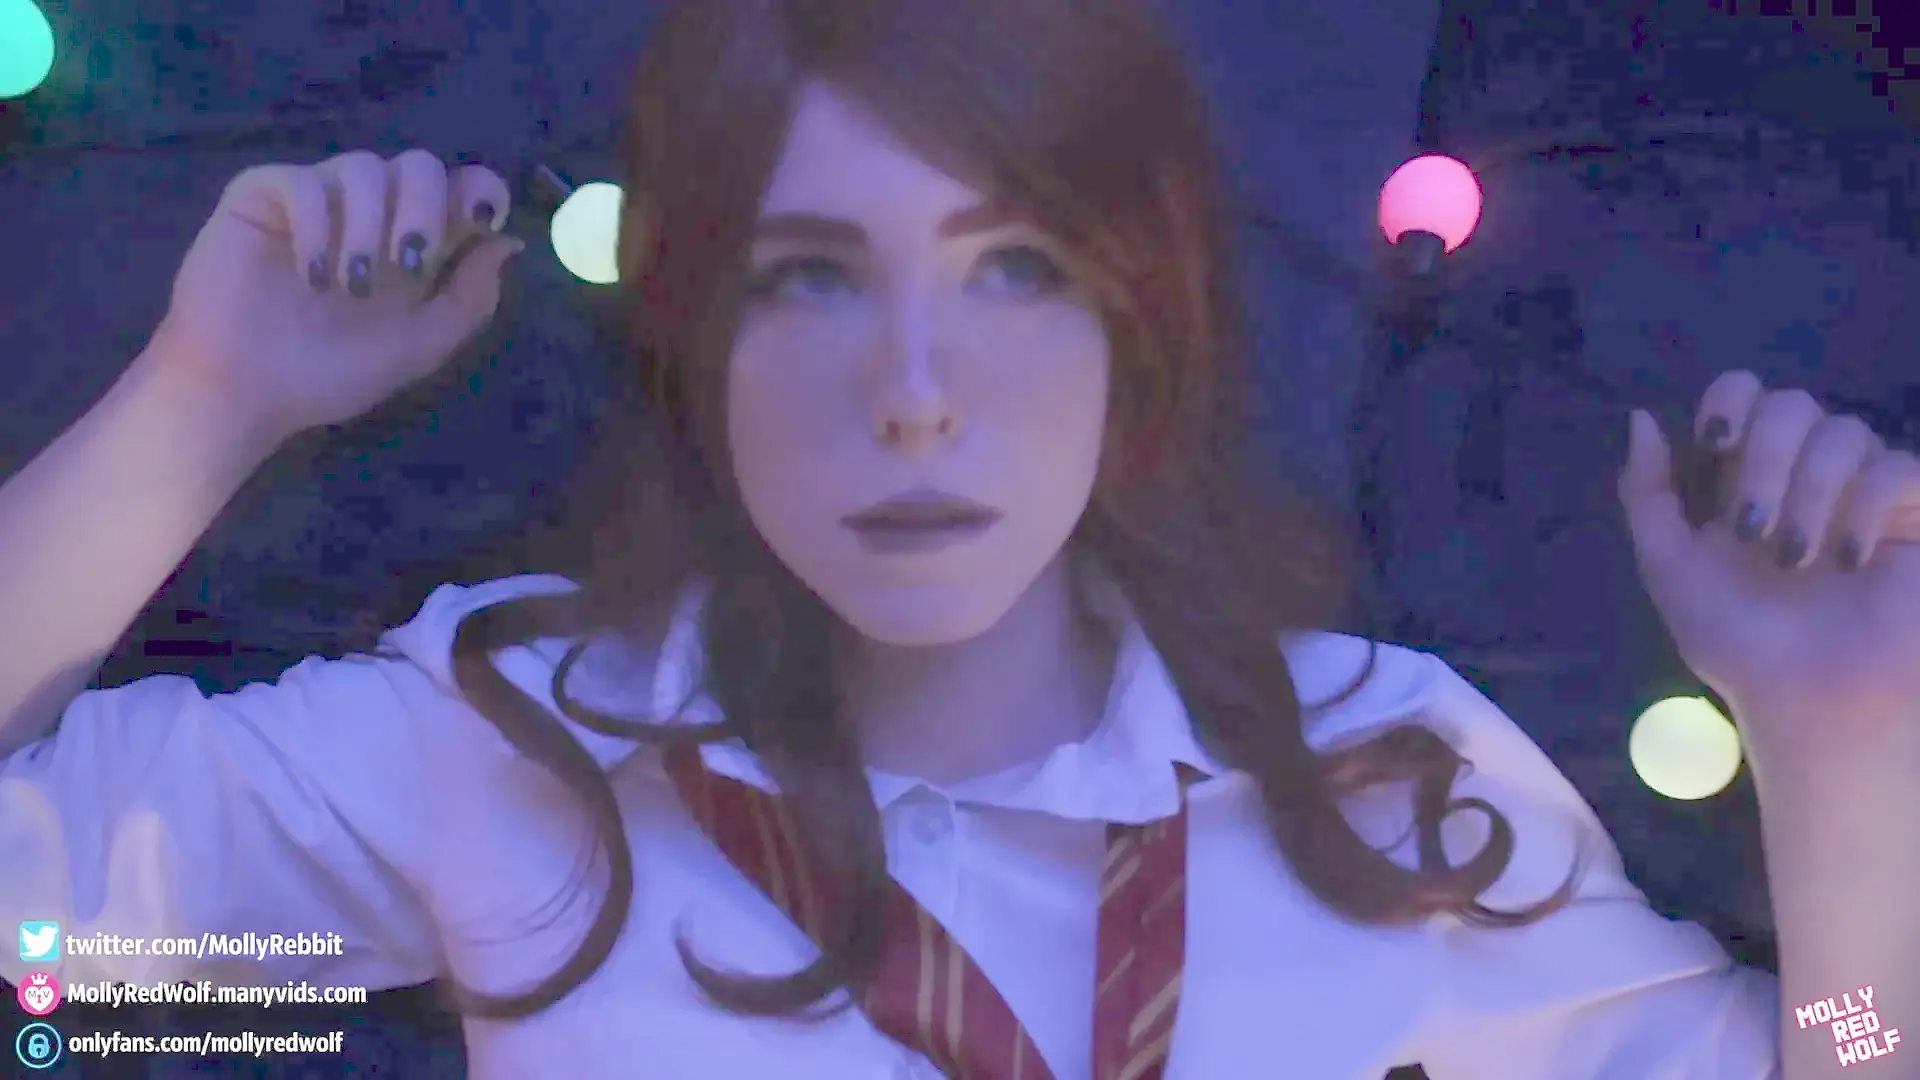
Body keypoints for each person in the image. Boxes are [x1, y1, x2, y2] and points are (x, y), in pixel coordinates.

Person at [1, 1, 1914, 1077]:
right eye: (808, 278)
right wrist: (202, 399)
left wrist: (1840, 753)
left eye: (1015, 271)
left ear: (1137, 323)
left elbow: (1851, 1044)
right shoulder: (508, 751)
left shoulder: (1384, 782)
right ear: (696, 338)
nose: (916, 392)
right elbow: (29, 953)